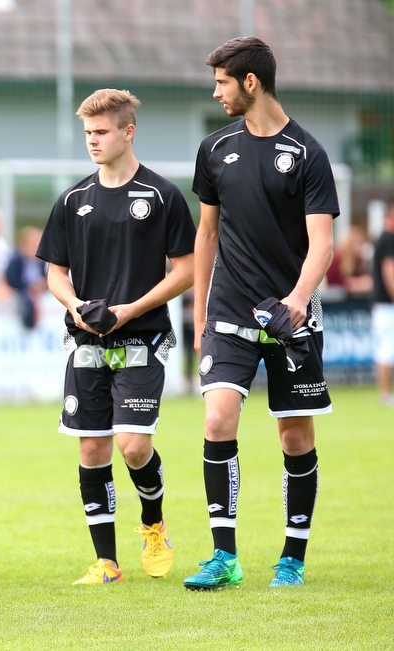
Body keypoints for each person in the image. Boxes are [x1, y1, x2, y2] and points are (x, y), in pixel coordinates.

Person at [184, 37, 339, 591]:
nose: (216, 90)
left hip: (290, 315)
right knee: (218, 419)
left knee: (295, 438)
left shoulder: (307, 154)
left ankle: (292, 557)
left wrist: (297, 301)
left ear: (251, 82)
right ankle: (224, 556)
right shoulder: (214, 147)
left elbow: (322, 243)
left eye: (223, 81)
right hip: (228, 310)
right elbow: (206, 233)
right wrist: (200, 314)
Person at [36, 88, 196, 585]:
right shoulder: (72, 199)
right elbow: (55, 273)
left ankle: (153, 524)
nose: (93, 140)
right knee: (92, 451)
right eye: (87, 132)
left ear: (128, 132)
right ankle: (107, 563)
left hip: (143, 339)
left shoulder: (163, 195)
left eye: (101, 131)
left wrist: (131, 309)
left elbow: (187, 270)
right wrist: (74, 304)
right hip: (85, 341)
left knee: (132, 446)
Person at [372, 204, 394, 407]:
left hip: (384, 305)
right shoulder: (388, 239)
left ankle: (386, 393)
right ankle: (386, 394)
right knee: (387, 348)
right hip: (388, 305)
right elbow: (389, 271)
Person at [5, 226, 47, 329]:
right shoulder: (16, 261)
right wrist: (29, 287)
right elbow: (12, 280)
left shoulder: (43, 262)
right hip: (21, 295)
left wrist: (42, 285)